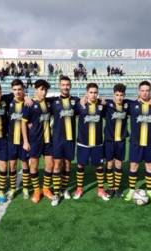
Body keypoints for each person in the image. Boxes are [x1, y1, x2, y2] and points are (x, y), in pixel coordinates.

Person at [73, 83, 109, 201]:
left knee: (99, 166)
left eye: (95, 92)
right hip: (83, 143)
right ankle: (79, 188)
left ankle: (100, 189)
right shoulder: (80, 105)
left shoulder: (101, 105)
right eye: (91, 92)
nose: (93, 95)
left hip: (97, 143)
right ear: (87, 93)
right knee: (80, 165)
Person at [124, 81, 151, 203]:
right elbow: (116, 102)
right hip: (136, 142)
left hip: (150, 142)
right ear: (139, 91)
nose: (145, 93)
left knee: (150, 166)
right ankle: (131, 190)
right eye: (142, 90)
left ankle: (149, 191)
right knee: (134, 165)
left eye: (147, 90)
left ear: (150, 92)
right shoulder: (132, 104)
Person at [22, 79, 54, 204]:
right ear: (36, 89)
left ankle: (45, 189)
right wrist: (25, 141)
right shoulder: (29, 104)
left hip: (48, 141)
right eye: (41, 89)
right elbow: (23, 124)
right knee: (33, 166)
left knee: (50, 165)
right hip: (34, 141)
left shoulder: (49, 103)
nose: (44, 92)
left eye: (45, 90)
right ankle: (36, 190)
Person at [49, 76, 80, 205]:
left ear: (70, 86)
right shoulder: (53, 101)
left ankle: (64, 188)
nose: (65, 87)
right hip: (57, 139)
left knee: (67, 165)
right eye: (63, 84)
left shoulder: (76, 101)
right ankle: (56, 193)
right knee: (57, 165)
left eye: (67, 84)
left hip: (70, 139)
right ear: (59, 86)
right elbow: (38, 102)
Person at [103, 83, 130, 198]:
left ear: (124, 95)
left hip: (121, 140)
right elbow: (94, 100)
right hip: (109, 140)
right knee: (109, 163)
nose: (119, 97)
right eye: (117, 95)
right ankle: (110, 187)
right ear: (113, 95)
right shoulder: (107, 104)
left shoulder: (127, 105)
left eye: (121, 95)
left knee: (118, 163)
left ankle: (117, 187)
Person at [7, 79, 30, 199]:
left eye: (20, 89)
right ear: (12, 90)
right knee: (12, 165)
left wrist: (27, 98)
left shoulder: (28, 104)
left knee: (25, 164)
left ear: (23, 90)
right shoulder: (7, 102)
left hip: (24, 141)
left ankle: (25, 188)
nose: (17, 92)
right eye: (15, 90)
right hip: (11, 141)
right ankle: (12, 188)